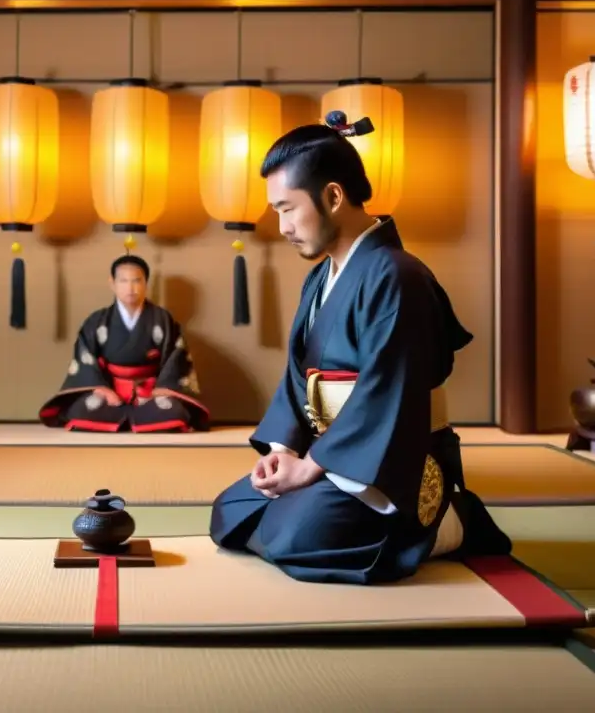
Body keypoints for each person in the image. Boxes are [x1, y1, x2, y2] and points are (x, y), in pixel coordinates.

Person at [209, 117, 512, 585]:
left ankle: (445, 522)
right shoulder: (321, 277)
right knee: (230, 509)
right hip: (336, 453)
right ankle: (321, 507)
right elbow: (298, 378)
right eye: (277, 212)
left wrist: (308, 469)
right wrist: (282, 451)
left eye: (288, 209)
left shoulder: (399, 278)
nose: (283, 227)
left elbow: (385, 393)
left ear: (333, 196)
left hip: (393, 463)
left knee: (293, 537)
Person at [39, 254, 210, 433]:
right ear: (112, 283)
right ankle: (121, 410)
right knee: (82, 409)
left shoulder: (162, 319)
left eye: (137, 281)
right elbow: (85, 358)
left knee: (173, 411)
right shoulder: (97, 321)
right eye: (123, 281)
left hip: (150, 392)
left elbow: (176, 357)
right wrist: (102, 389)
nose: (130, 287)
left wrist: (161, 389)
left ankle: (144, 410)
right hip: (111, 391)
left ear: (145, 283)